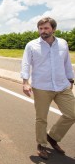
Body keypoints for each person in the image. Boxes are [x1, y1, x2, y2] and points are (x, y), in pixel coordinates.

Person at [21, 17, 75, 160]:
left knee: (72, 114)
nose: (43, 31)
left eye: (46, 28)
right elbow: (26, 64)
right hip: (41, 87)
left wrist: (71, 79)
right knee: (41, 118)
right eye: (40, 28)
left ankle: (52, 136)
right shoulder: (32, 45)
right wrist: (25, 82)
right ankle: (41, 144)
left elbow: (67, 63)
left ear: (53, 29)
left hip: (62, 85)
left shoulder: (63, 43)